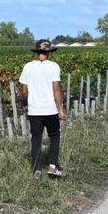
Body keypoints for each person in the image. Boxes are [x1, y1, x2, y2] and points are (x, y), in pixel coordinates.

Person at [19, 39, 66, 178]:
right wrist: (60, 109)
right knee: (55, 136)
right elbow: (56, 89)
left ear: (37, 52)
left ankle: (37, 169)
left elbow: (24, 91)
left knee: (36, 139)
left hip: (34, 111)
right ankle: (52, 166)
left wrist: (26, 104)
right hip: (50, 110)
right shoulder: (54, 66)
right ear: (49, 52)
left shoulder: (28, 66)